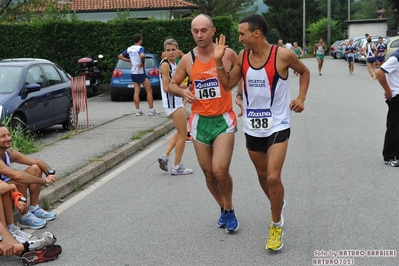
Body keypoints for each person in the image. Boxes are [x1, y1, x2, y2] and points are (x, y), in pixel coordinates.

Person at [214, 14, 310, 250]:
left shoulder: (283, 55)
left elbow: (305, 72)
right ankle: (278, 202)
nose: (240, 38)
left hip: (278, 124)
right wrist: (218, 61)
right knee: (261, 175)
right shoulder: (242, 56)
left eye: (242, 33)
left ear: (256, 33)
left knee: (273, 177)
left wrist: (301, 97)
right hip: (253, 127)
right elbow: (226, 84)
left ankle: (276, 224)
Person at [168, 14, 239, 233]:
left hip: (223, 119)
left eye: (204, 30)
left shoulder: (227, 54)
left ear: (213, 31)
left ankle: (230, 209)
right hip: (199, 121)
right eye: (196, 31)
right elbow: (171, 84)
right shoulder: (188, 60)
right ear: (192, 33)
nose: (200, 35)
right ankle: (223, 209)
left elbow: (243, 72)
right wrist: (182, 91)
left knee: (219, 169)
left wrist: (241, 96)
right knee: (208, 172)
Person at [0, 123, 57, 230]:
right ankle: (24, 217)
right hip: (3, 195)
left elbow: (36, 161)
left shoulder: (9, 153)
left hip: (12, 192)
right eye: (3, 136)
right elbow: (17, 176)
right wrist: (43, 181)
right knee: (18, 180)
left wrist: (50, 173)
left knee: (35, 168)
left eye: (8, 135)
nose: (8, 138)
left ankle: (34, 208)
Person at [157, 38, 193, 175]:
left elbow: (186, 58)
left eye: (173, 50)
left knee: (179, 131)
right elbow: (167, 88)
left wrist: (185, 87)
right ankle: (177, 166)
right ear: (164, 51)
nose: (171, 53)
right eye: (168, 50)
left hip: (176, 101)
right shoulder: (165, 64)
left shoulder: (174, 62)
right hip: (172, 103)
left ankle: (165, 156)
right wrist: (183, 89)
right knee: (183, 134)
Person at [118, 33, 160, 116]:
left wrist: (130, 61)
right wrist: (142, 62)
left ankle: (138, 110)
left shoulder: (129, 49)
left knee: (136, 91)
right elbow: (142, 55)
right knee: (149, 90)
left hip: (133, 72)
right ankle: (151, 110)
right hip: (140, 72)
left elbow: (120, 56)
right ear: (140, 40)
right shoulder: (140, 48)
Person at [375, 47, 399, 167]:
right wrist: (388, 90)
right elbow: (379, 72)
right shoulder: (396, 57)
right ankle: (389, 156)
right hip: (396, 97)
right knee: (394, 127)